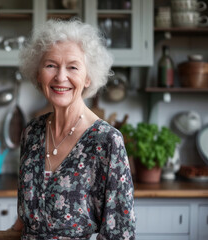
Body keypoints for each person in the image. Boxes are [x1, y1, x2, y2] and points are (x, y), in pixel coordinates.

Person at [10, 19, 136, 240]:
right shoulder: (31, 132)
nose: (60, 77)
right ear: (38, 74)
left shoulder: (107, 140)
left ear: (88, 77)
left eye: (73, 67)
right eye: (51, 65)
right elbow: (24, 219)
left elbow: (119, 233)